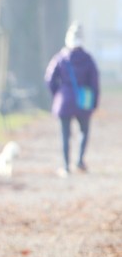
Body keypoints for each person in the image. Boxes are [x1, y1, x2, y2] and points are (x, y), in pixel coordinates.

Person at [44, 21, 100, 177]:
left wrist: (58, 93)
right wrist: (94, 101)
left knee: (65, 134)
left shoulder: (61, 57)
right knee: (84, 131)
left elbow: (49, 78)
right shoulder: (88, 59)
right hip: (83, 100)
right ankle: (80, 160)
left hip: (65, 100)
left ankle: (65, 166)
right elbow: (94, 82)